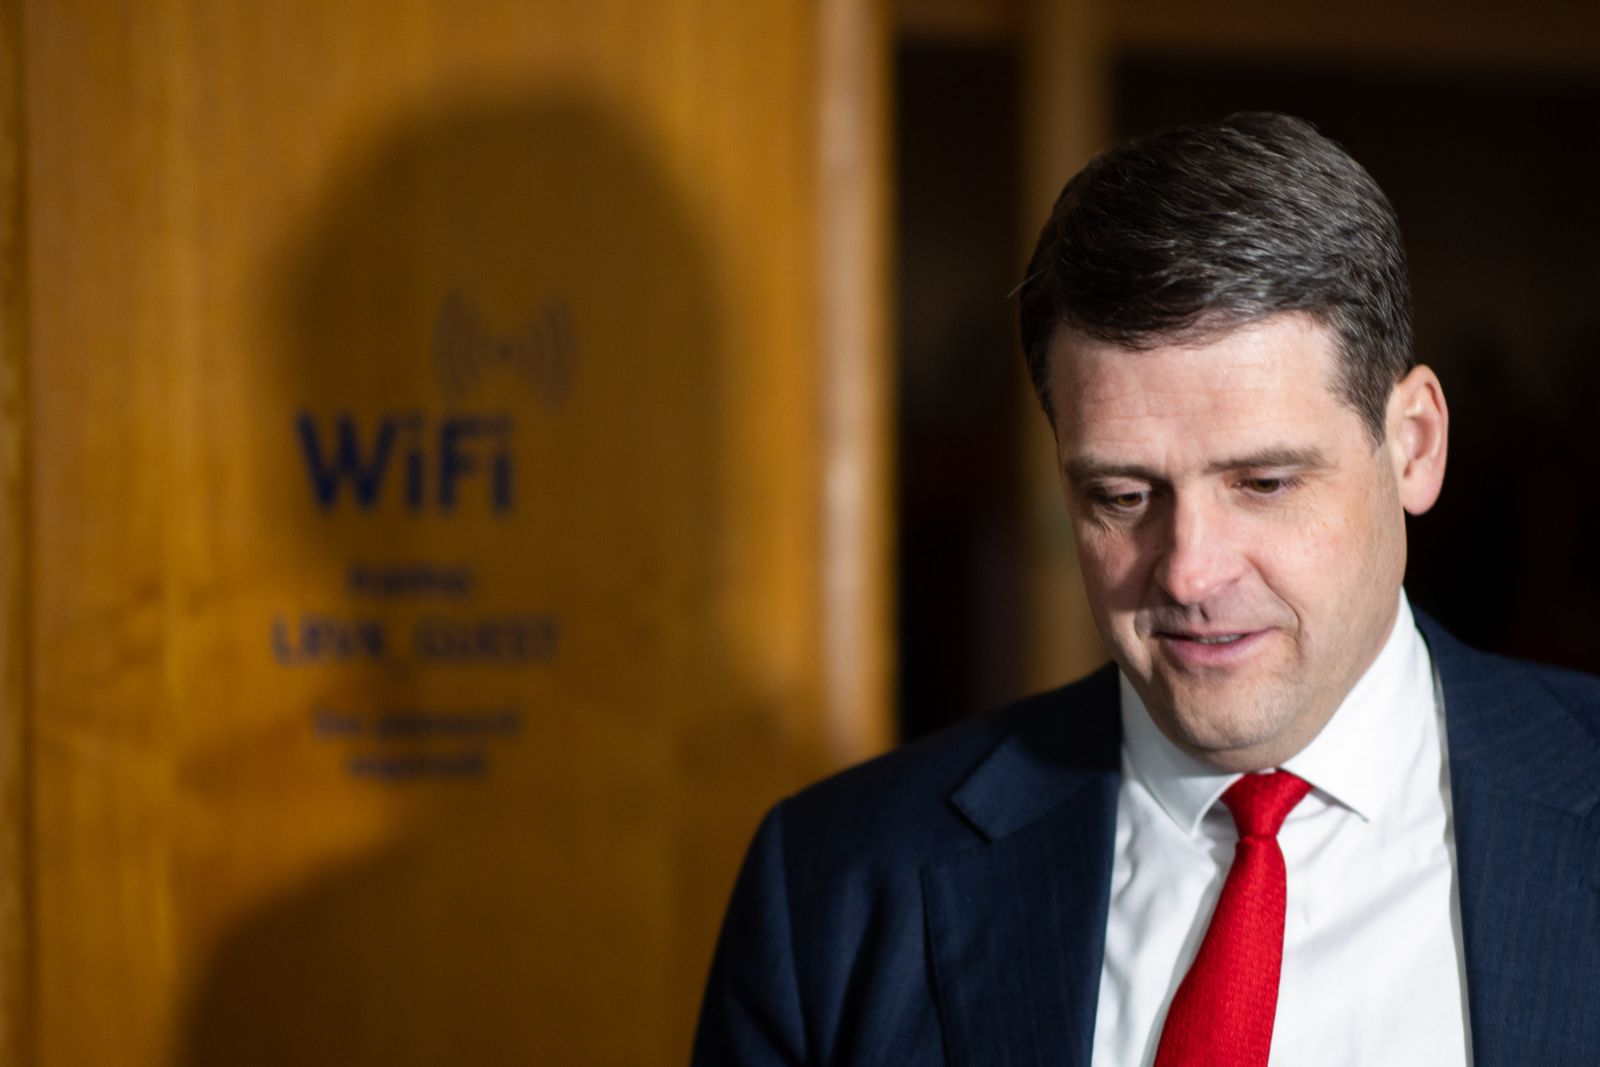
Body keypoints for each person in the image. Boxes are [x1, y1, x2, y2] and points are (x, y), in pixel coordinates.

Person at [691, 112, 1600, 1067]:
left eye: (1263, 483)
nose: (1189, 572)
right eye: (1122, 496)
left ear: (1413, 445)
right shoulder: (834, 891)